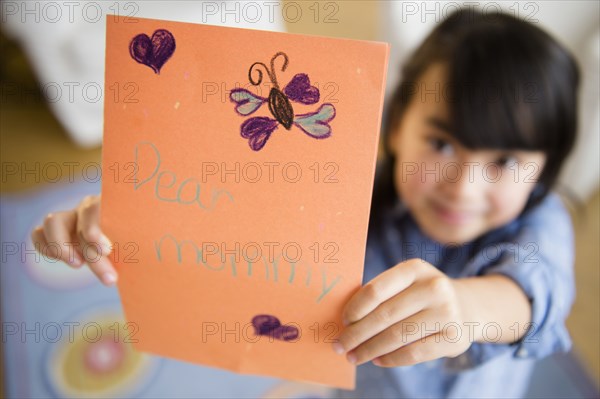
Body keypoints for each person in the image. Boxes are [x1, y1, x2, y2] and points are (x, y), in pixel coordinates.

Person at [32, 9, 579, 398]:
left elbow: (537, 295)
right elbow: (233, 217)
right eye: (441, 143)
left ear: (544, 172)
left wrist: (470, 309)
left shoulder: (543, 221)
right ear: (394, 128)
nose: (463, 186)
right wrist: (126, 216)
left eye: (504, 162)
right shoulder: (341, 193)